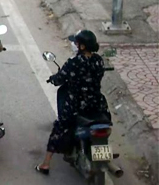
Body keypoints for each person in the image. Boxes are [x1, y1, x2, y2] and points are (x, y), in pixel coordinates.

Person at [35, 30, 111, 175]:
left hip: (76, 103)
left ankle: (45, 164)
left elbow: (60, 79)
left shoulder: (74, 62)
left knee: (59, 128)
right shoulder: (98, 60)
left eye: (77, 43)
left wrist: (53, 79)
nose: (75, 45)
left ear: (82, 46)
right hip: (96, 102)